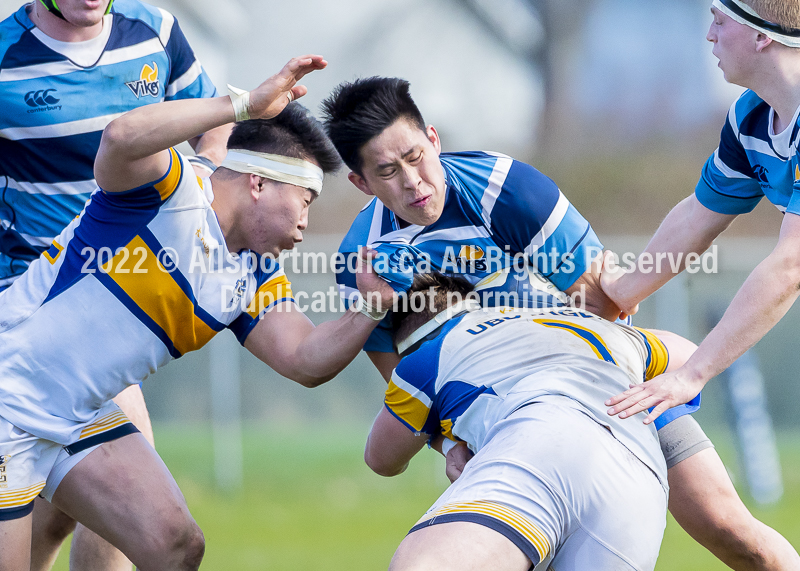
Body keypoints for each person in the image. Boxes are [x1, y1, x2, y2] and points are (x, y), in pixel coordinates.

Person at [322, 76, 800, 570]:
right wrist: (449, 444)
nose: (413, 181)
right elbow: (405, 378)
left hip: (606, 384)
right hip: (510, 415)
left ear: (434, 139)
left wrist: (555, 365)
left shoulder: (504, 191)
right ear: (361, 182)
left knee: (728, 527)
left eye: (416, 156)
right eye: (387, 171)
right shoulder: (364, 262)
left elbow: (605, 304)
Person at [0, 54, 397, 571]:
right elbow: (120, 138)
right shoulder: (169, 191)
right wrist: (241, 106)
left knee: (174, 544)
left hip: (76, 416)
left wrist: (370, 308)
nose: (305, 224)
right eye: (305, 200)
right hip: (9, 398)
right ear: (258, 184)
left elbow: (304, 359)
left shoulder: (252, 276)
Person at [0, 0, 230, 567]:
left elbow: (215, 116)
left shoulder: (154, 30)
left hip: (116, 309)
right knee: (121, 511)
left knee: (79, 509)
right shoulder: (5, 55)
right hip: (31, 315)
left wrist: (202, 174)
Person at [599, 3, 800, 566]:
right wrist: (620, 294)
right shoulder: (752, 117)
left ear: (762, 37)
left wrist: (691, 374)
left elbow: (791, 265)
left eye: (720, 18)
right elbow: (700, 214)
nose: (708, 32)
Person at [366, 272, 686, 570]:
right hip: (642, 482)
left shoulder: (426, 356)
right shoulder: (591, 325)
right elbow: (686, 352)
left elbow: (381, 459)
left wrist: (448, 441)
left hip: (541, 445)